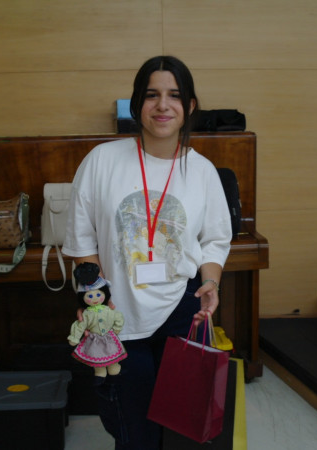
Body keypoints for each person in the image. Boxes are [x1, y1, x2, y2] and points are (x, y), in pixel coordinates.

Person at [62, 55, 233, 449]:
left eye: (174, 95)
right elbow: (83, 243)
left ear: (190, 106)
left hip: (183, 310)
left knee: (182, 427)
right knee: (132, 430)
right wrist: (94, 301)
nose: (163, 105)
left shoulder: (203, 171)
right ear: (137, 103)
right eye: (152, 95)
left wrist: (210, 282)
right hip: (119, 313)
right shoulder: (101, 161)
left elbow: (215, 240)